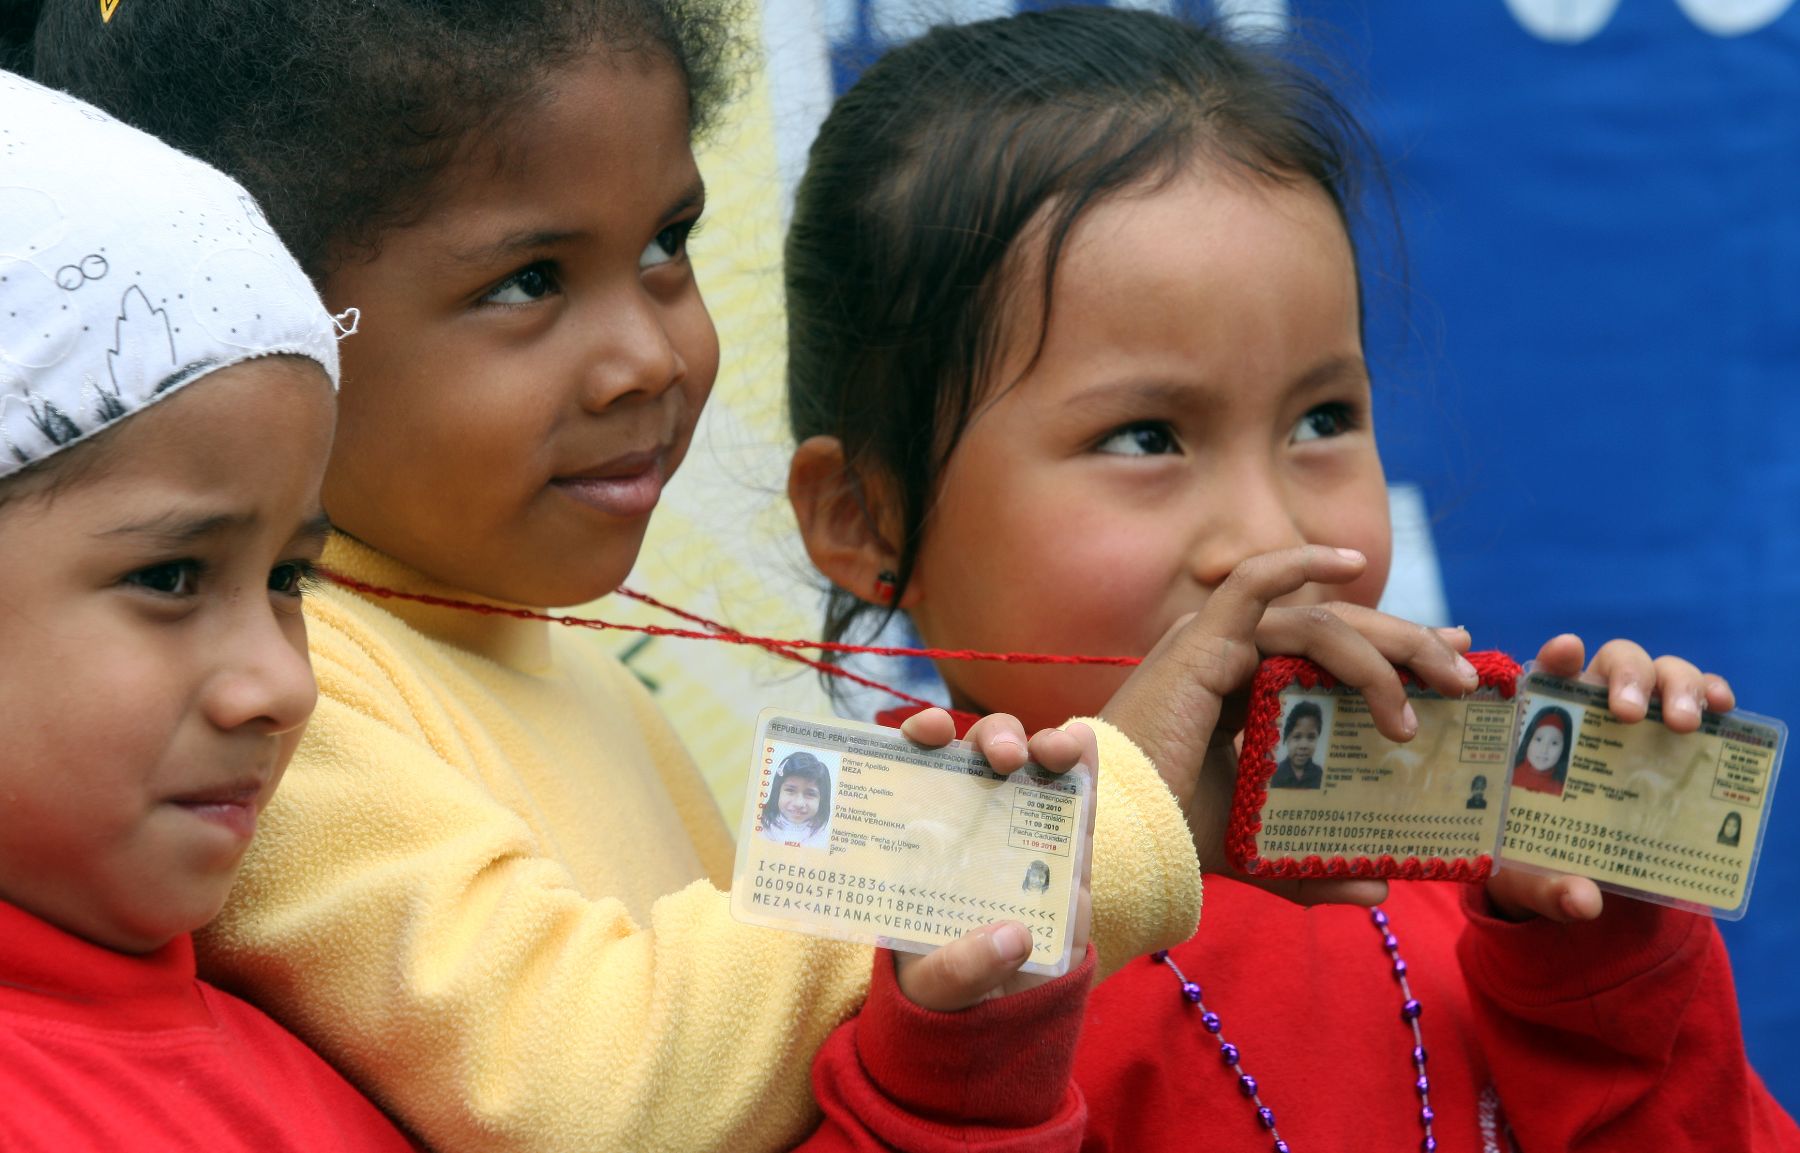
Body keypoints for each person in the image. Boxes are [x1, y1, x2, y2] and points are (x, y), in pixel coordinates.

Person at [19, 2, 1278, 1148]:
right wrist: (1087, 825)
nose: (645, 356)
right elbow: (587, 1085)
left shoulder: (569, 674)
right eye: (528, 280)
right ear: (268, 307)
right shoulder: (276, 720)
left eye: (669, 242)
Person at [783, 8, 1798, 1150]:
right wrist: (961, 1069)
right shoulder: (862, 955)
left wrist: (1607, 983)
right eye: (1145, 438)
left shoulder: (1487, 907)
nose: (1272, 540)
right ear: (862, 515)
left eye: (1323, 418)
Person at [0, 73, 416, 1153]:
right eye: (174, 576)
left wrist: (910, 1064)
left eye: (289, 579)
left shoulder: (327, 1052)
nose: (286, 685)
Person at [762, 751, 834, 848]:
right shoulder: (759, 829)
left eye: (810, 794)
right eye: (790, 790)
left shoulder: (827, 841)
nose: (798, 803)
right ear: (777, 791)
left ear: (822, 799)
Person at [1511, 707, 1574, 797]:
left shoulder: (1563, 790)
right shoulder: (1507, 774)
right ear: (1528, 740)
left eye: (1554, 743)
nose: (1544, 750)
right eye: (1538, 739)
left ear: (1564, 748)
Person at [1269, 702, 1325, 789]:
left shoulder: (1319, 774)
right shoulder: (1276, 774)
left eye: (1311, 737)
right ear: (1287, 738)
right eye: (1297, 737)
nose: (1303, 746)